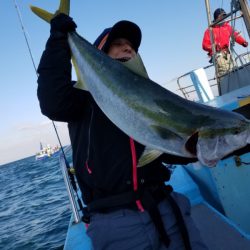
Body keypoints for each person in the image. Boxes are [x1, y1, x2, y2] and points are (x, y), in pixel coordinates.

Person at [37, 13, 207, 250]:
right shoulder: (82, 98)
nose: (127, 49)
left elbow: (168, 150)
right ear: (99, 53)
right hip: (115, 223)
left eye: (131, 47)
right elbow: (51, 101)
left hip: (166, 207)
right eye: (117, 45)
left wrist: (212, 147)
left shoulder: (151, 99)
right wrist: (58, 41)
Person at [202, 8, 248, 77]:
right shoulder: (210, 30)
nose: (223, 17)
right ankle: (226, 84)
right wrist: (214, 46)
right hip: (218, 55)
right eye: (221, 16)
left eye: (224, 15)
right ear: (216, 17)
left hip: (227, 53)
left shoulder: (227, 27)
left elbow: (235, 35)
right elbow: (204, 45)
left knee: (233, 69)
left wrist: (243, 42)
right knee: (224, 72)